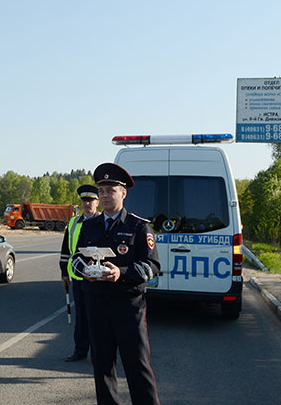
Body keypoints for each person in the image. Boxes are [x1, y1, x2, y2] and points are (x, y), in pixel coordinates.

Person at [75, 163, 162, 405]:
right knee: (102, 367)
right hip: (96, 304)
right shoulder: (88, 226)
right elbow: (75, 259)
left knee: (137, 366)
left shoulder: (138, 226)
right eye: (101, 191)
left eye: (110, 191)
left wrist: (120, 273)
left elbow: (152, 266)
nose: (104, 195)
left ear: (123, 193)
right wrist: (85, 270)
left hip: (128, 306)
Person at [59, 184, 100, 362]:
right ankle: (80, 350)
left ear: (97, 202)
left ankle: (100, 353)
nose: (87, 203)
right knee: (81, 316)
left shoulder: (104, 221)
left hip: (98, 278)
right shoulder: (74, 222)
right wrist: (64, 273)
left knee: (98, 316)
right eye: (84, 200)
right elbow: (65, 249)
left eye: (90, 200)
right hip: (78, 277)